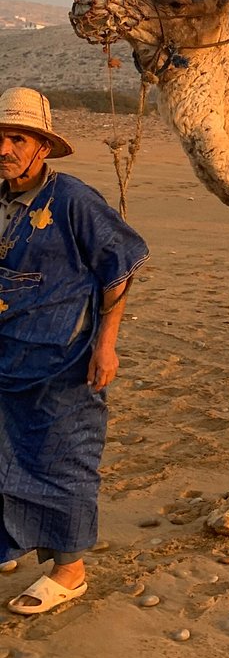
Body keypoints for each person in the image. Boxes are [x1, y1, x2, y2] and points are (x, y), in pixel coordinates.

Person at [0, 88, 148, 614]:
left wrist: (106, 346)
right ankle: (12, 546)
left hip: (65, 356)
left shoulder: (73, 200)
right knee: (6, 454)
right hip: (7, 355)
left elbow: (120, 266)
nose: (4, 147)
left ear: (42, 145)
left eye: (17, 137)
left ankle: (70, 571)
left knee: (62, 459)